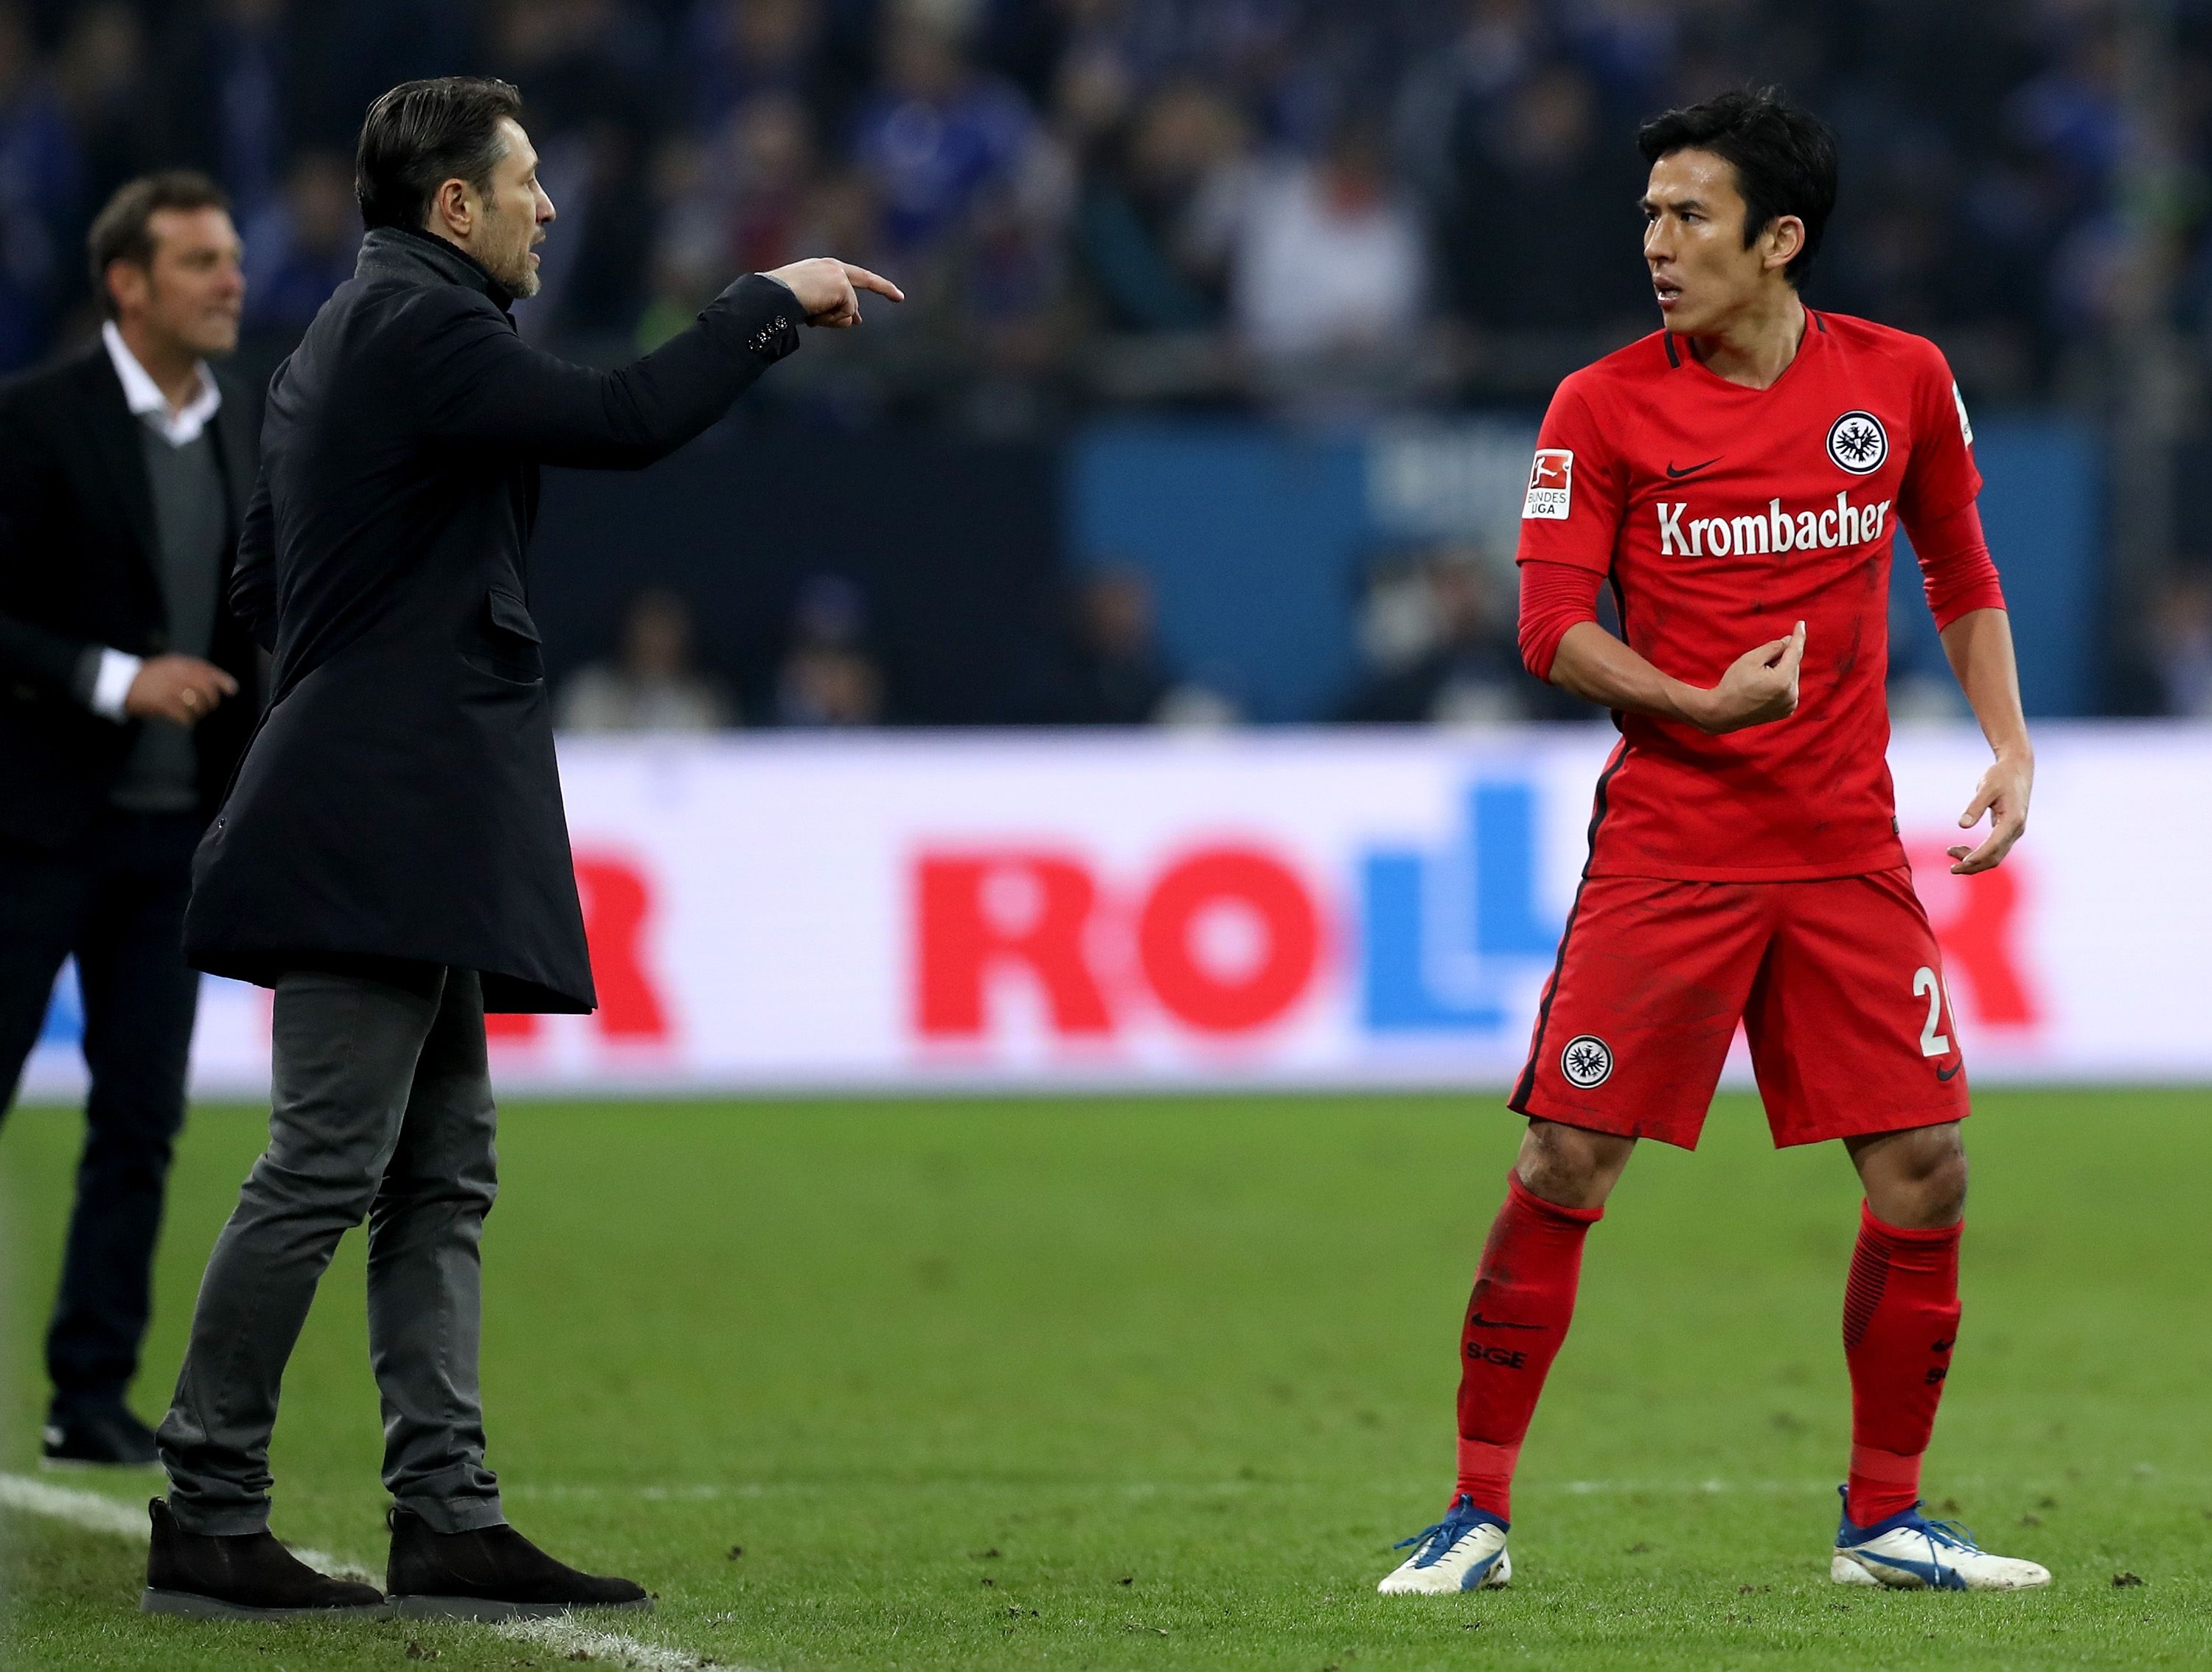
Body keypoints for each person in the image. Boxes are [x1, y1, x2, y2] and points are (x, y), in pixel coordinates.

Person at [148, 75, 900, 1621]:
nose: (548, 207)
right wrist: (765, 298)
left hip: (396, 800)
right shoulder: (424, 332)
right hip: (382, 810)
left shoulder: (334, 347)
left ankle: (447, 1512)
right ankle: (207, 1502)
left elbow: (255, 581)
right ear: (455, 208)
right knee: (327, 1162)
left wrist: (358, 676)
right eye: (526, 183)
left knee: (439, 1169)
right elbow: (622, 422)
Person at [1377, 89, 2051, 1598]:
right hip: (1671, 848)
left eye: (1690, 217)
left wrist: (2010, 742)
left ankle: (1884, 1519)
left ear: (1780, 238)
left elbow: (1959, 561)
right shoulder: (1601, 403)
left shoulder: (1904, 380)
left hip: (1842, 855)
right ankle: (1474, 1512)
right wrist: (1699, 699)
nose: (1659, 247)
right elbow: (1550, 626)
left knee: (1929, 1167)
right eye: (1649, 218)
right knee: (1565, 1149)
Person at [0, 171, 258, 1469]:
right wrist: (115, 677)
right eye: (202, 260)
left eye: (231, 257)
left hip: (175, 839)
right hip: (32, 827)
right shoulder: (36, 420)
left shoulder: (249, 425)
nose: (231, 279)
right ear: (127, 283)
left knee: (142, 1120)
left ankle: (87, 1391)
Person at [556, 586, 732, 732]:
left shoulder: (704, 704)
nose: (656, 643)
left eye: (666, 635)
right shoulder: (588, 694)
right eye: (649, 632)